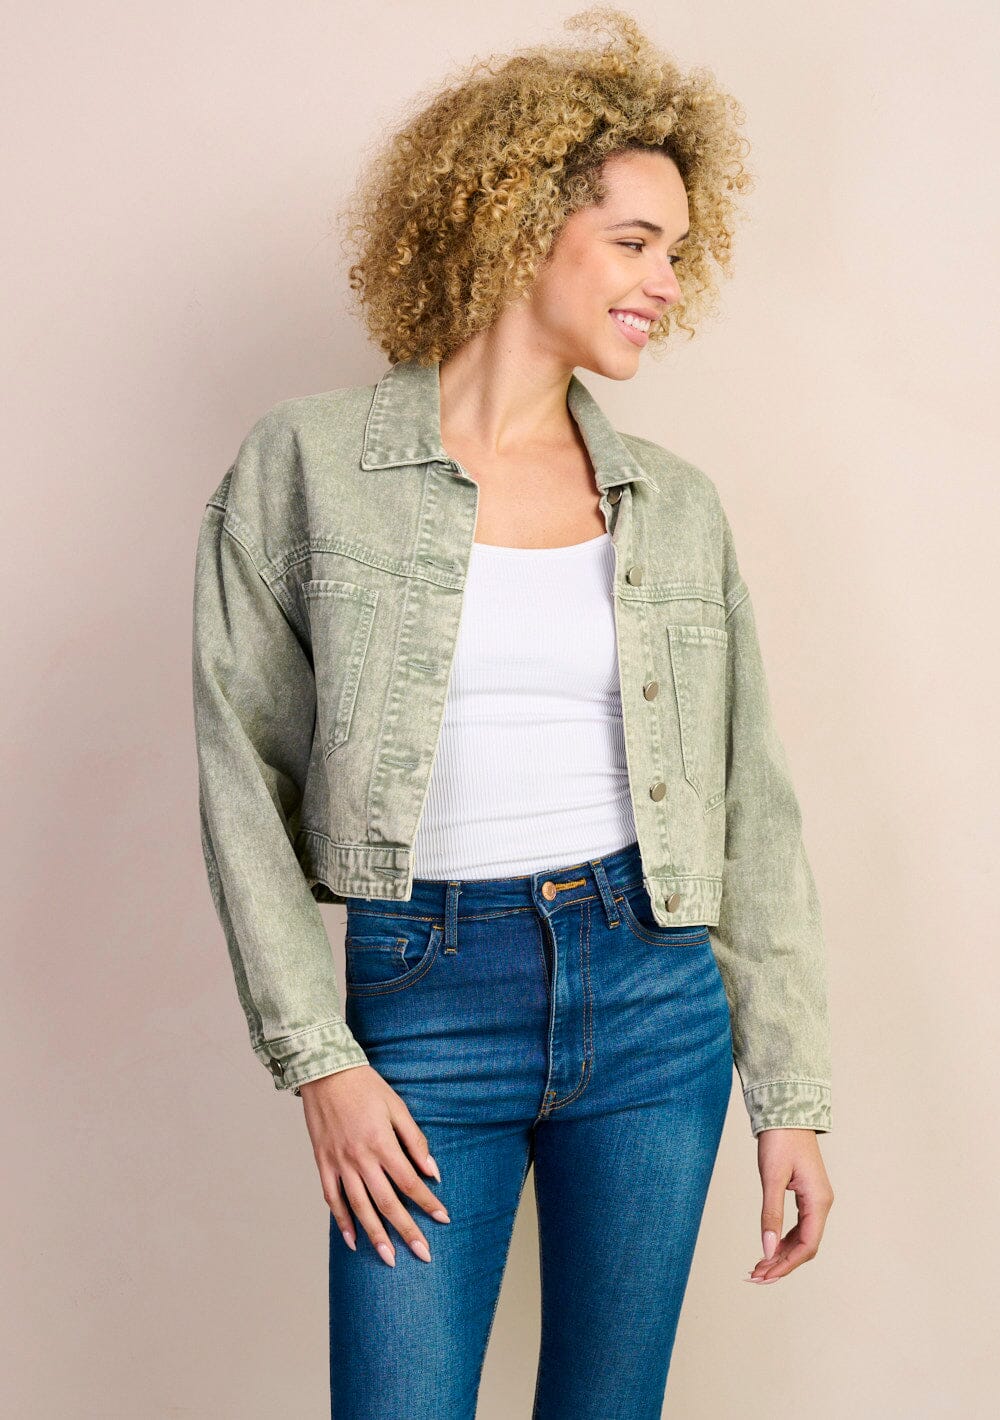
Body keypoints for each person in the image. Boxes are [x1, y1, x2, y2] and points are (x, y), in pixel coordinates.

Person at [191, 8, 835, 1417]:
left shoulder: (674, 504)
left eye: (677, 251)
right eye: (635, 241)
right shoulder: (308, 465)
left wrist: (787, 1096)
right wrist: (322, 1062)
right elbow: (240, 774)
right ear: (521, 222)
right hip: (427, 994)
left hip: (655, 995)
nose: (666, 282)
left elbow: (751, 806)